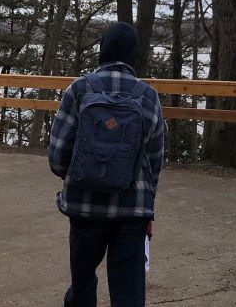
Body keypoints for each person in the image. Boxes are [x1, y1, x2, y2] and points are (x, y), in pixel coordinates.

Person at [48, 22, 164, 307]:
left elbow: (57, 155)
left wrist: (81, 174)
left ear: (102, 50)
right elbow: (155, 161)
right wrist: (148, 209)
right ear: (133, 55)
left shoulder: (79, 89)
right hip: (131, 210)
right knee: (128, 293)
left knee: (83, 282)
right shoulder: (147, 96)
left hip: (85, 207)